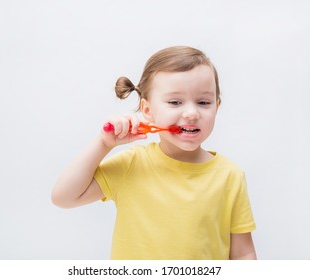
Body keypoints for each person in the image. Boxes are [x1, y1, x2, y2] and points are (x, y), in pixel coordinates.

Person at [51, 46, 257, 260]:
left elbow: (243, 253)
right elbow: (64, 197)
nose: (191, 113)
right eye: (175, 102)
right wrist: (104, 144)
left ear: (217, 106)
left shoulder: (230, 175)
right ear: (148, 110)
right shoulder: (132, 165)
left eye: (204, 102)